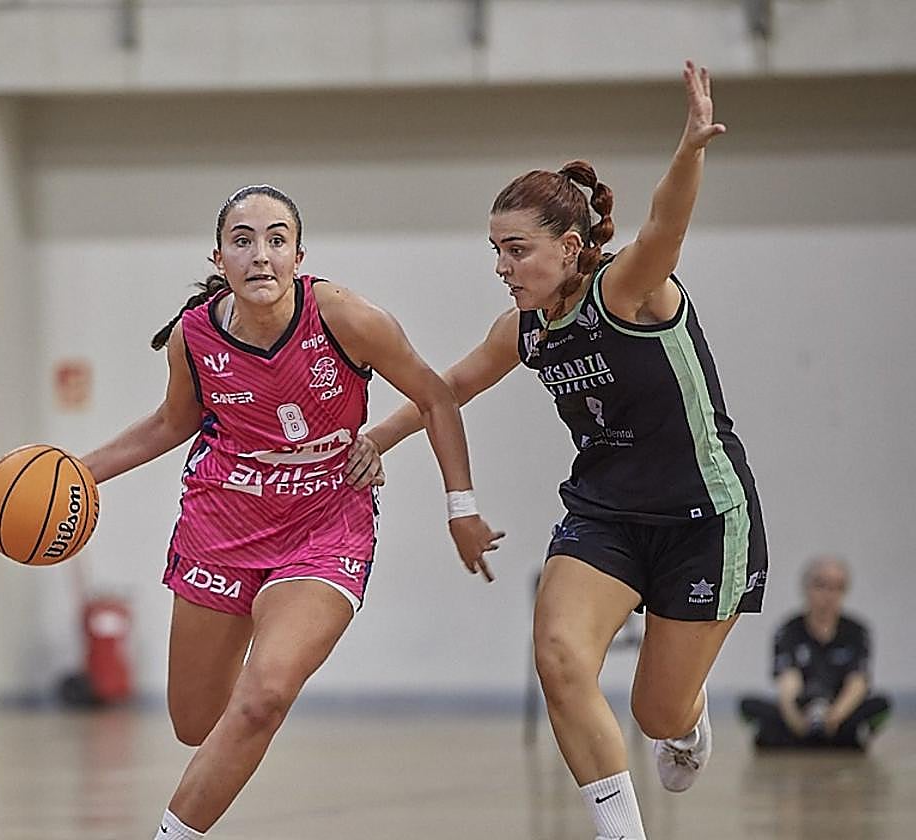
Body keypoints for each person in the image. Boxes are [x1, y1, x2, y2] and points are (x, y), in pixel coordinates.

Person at [353, 62, 766, 840]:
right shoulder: (527, 328)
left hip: (703, 515)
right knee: (558, 655)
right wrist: (375, 438)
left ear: (569, 246)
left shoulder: (629, 290)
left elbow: (667, 225)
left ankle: (687, 715)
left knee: (656, 711)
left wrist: (690, 151)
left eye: (515, 250)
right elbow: (451, 386)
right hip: (606, 513)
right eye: (495, 251)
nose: (502, 267)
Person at [80, 184, 504, 840]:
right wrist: (79, 472)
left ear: (299, 255)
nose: (261, 255)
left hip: (325, 525)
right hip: (220, 525)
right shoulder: (193, 340)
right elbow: (171, 425)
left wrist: (461, 505)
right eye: (243, 240)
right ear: (218, 258)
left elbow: (436, 397)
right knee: (195, 722)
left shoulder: (348, 319)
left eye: (277, 239)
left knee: (264, 695)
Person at [739, 555, 890, 749]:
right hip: (800, 710)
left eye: (837, 588)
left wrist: (834, 716)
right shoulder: (788, 630)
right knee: (748, 705)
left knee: (881, 705)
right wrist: (796, 720)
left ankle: (818, 739)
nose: (828, 595)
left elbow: (858, 682)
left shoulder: (857, 631)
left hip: (840, 709)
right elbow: (787, 682)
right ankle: (820, 740)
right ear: (806, 588)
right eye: (821, 586)